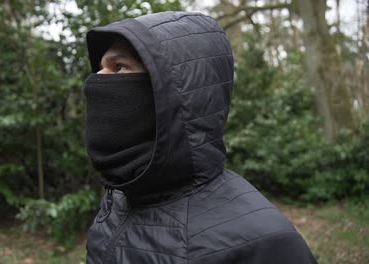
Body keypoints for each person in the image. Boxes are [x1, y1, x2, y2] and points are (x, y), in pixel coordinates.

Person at [83, 11, 317, 264]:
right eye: (100, 68)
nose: (96, 80)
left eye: (119, 67)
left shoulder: (263, 242)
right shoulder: (118, 200)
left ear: (171, 94)